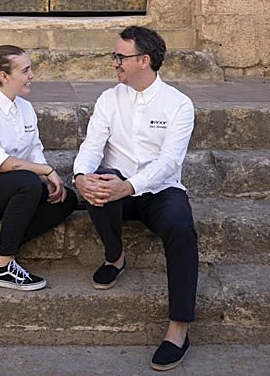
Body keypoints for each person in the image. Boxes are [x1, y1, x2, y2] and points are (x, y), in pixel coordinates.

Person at [72, 25, 198, 372]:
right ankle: (115, 258)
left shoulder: (178, 104)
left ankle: (178, 329)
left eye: (120, 57)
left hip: (160, 189)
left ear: (144, 61)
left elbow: (169, 161)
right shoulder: (108, 99)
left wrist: (130, 186)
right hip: (118, 185)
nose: (114, 63)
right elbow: (92, 146)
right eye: (114, 56)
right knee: (99, 183)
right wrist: (80, 177)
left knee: (181, 228)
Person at [0, 44, 78, 291]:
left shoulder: (25, 108)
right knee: (28, 182)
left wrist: (48, 180)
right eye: (26, 70)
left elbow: (34, 150)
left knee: (66, 199)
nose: (32, 75)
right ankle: (3, 267)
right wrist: (46, 171)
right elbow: (1, 163)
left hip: (9, 189)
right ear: (4, 76)